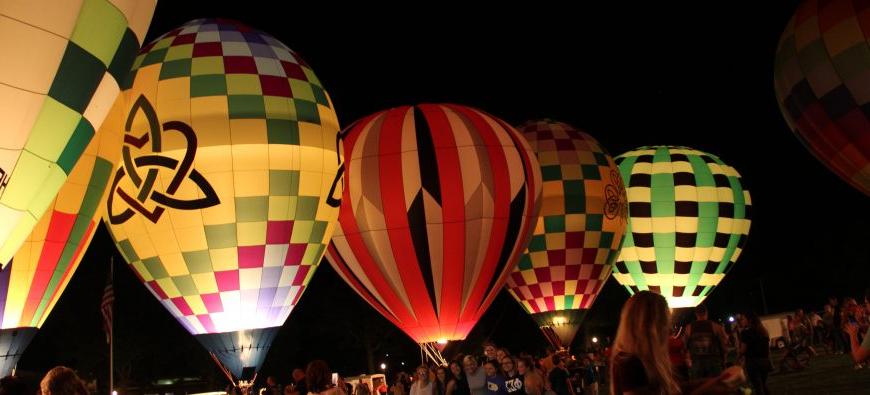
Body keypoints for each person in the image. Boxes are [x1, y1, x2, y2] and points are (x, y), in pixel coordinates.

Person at [610, 291, 741, 395]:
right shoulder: (629, 362)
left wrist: (714, 382)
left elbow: (672, 390)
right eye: (665, 321)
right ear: (650, 326)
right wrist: (708, 389)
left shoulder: (643, 359)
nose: (669, 328)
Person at [684, 304, 728, 379]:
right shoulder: (715, 326)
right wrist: (724, 359)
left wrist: (688, 359)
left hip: (696, 361)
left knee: (699, 386)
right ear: (706, 312)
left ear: (696, 314)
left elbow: (685, 345)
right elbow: (724, 344)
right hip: (714, 361)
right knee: (715, 385)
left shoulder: (689, 328)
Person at [738, 312, 772, 395]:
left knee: (758, 387)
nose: (742, 321)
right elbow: (767, 348)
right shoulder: (764, 331)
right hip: (765, 361)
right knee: (763, 384)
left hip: (753, 363)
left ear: (749, 320)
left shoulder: (745, 333)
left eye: (743, 319)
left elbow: (743, 350)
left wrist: (739, 356)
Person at [844, 290, 870, 365]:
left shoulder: (859, 311)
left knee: (860, 351)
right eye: (852, 305)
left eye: (866, 303)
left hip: (857, 332)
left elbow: (858, 357)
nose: (856, 306)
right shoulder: (847, 315)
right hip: (855, 331)